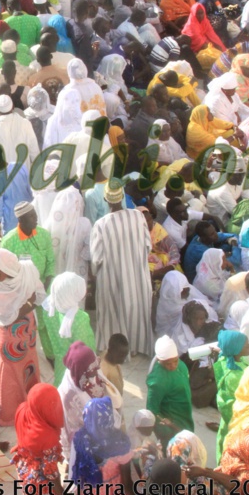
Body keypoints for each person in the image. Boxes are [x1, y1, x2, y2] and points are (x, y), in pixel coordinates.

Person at [90, 186, 153, 356]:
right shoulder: (138, 216)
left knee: (114, 314)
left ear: (105, 199)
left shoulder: (101, 225)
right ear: (122, 197)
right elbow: (148, 246)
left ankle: (117, 351)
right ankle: (136, 347)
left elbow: (96, 259)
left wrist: (95, 275)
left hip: (112, 278)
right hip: (138, 276)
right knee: (136, 310)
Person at [0, 248, 44, 426]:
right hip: (9, 337)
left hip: (27, 331)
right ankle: (10, 412)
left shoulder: (27, 270)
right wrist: (28, 304)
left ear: (8, 267)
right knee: (11, 370)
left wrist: (27, 305)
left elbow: (39, 296)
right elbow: (6, 317)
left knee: (29, 363)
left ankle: (31, 404)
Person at [145, 335, 193, 441]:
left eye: (175, 361)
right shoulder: (157, 381)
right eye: (168, 364)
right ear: (160, 361)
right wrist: (168, 425)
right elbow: (152, 409)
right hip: (171, 422)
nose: (173, 366)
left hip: (184, 412)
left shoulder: (182, 366)